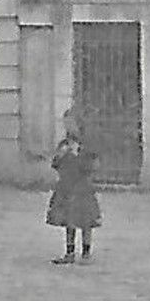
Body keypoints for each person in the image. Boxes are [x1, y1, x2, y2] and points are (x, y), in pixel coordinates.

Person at [46, 109, 100, 265]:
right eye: (66, 123)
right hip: (66, 186)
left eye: (71, 123)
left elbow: (92, 166)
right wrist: (61, 156)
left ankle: (86, 252)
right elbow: (55, 164)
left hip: (82, 187)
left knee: (85, 220)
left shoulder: (87, 144)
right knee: (69, 219)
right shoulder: (64, 144)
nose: (68, 127)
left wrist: (79, 155)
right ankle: (69, 252)